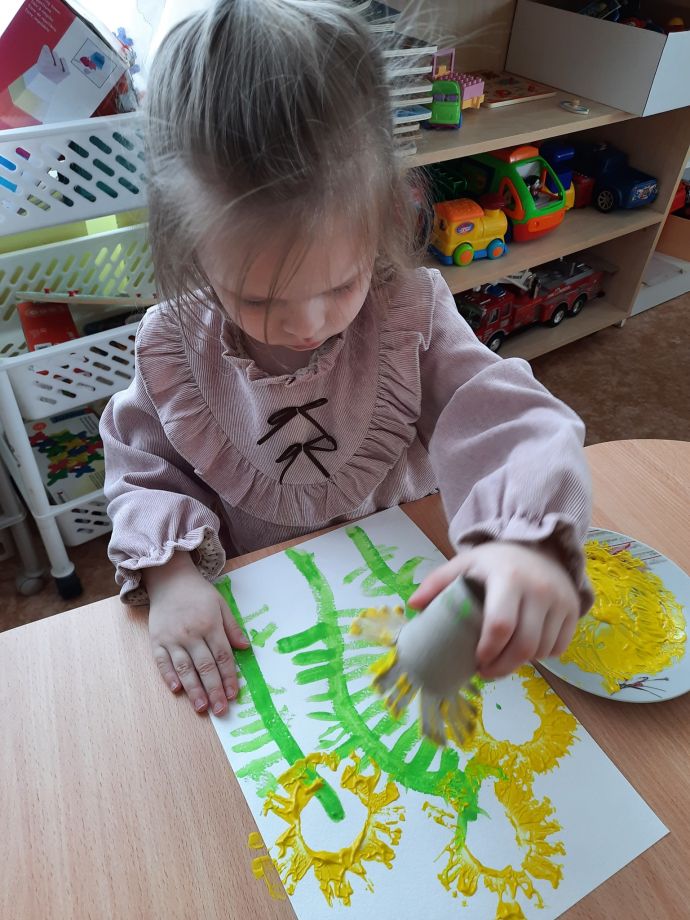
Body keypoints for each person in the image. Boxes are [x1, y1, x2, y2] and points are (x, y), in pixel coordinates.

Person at [101, 0, 593, 719]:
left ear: (387, 219)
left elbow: (512, 426)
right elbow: (142, 472)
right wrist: (173, 576)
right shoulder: (175, 347)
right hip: (268, 628)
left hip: (407, 588)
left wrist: (526, 539)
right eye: (258, 298)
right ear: (190, 249)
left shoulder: (409, 316)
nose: (309, 324)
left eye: (340, 284)